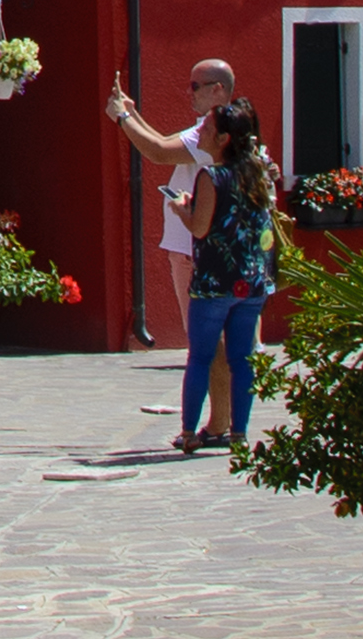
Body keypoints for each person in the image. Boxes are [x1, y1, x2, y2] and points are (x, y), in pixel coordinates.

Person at [107, 67, 276, 452]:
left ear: (219, 91)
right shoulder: (253, 160)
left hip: (212, 275)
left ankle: (200, 428)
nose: (189, 93)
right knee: (241, 357)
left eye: (196, 86)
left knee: (203, 353)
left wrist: (121, 117)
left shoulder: (212, 160)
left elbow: (158, 153)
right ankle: (237, 431)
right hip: (248, 278)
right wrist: (132, 116)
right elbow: (164, 140)